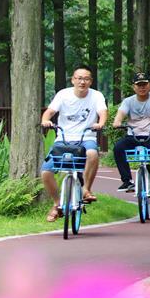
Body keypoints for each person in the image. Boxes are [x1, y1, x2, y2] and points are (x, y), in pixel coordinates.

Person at [40, 64, 108, 222]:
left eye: (86, 79)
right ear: (73, 80)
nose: (82, 82)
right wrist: (45, 120)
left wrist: (100, 123)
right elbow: (50, 112)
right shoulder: (63, 95)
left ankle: (86, 189)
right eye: (79, 78)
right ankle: (57, 204)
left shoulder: (96, 95)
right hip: (63, 138)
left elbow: (103, 112)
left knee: (92, 154)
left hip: (86, 137)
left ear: (91, 81)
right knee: (46, 172)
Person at [111, 71, 150, 208]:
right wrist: (117, 121)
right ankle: (127, 181)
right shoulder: (128, 101)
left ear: (149, 85)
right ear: (134, 87)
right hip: (133, 136)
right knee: (118, 148)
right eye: (139, 85)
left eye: (144, 84)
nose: (142, 87)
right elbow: (121, 114)